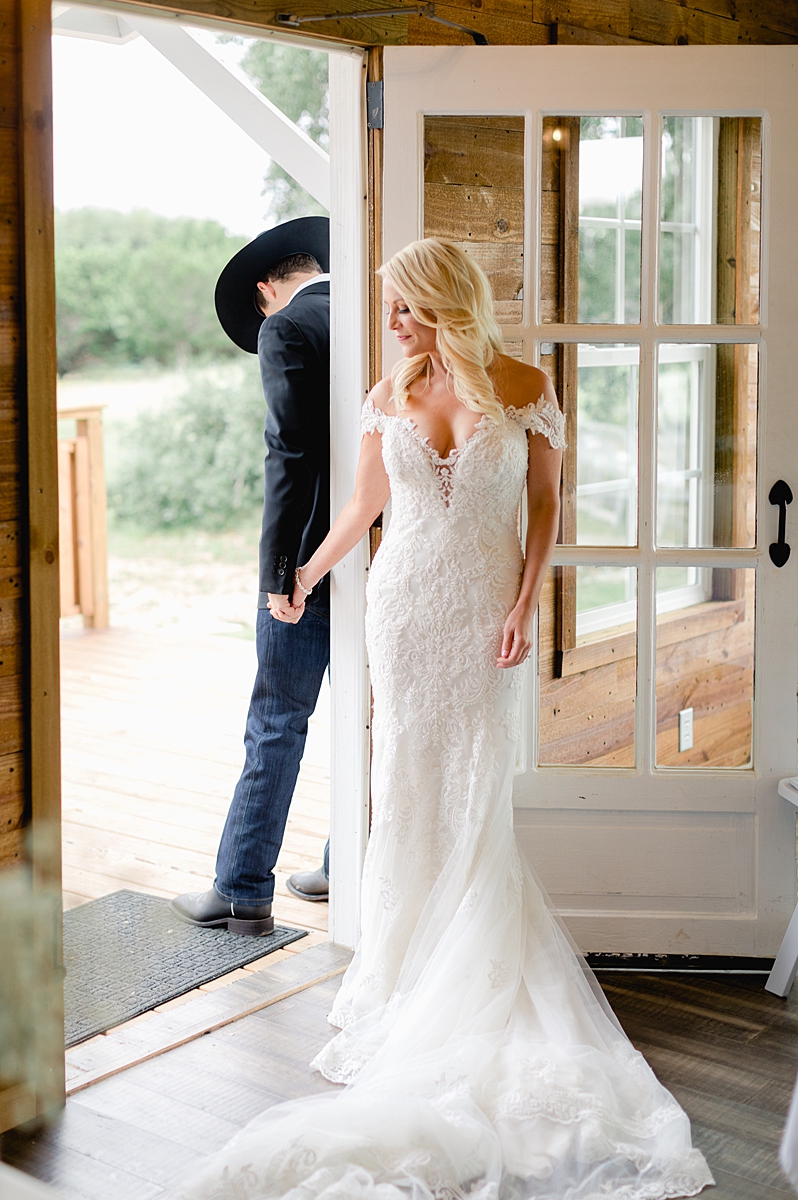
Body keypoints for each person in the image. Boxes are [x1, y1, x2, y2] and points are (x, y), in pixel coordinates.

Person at [173, 239, 713, 1199]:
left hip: (483, 608)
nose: (390, 325)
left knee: (475, 784)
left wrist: (527, 603)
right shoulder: (389, 395)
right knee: (405, 781)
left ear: (446, 305)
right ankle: (398, 969)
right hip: (406, 605)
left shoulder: (525, 385)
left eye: (404, 310)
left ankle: (462, 973)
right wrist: (302, 570)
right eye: (389, 310)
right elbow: (366, 505)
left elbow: (544, 507)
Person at [171, 216, 332, 936]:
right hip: (392, 550)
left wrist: (279, 574)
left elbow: (290, 456)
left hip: (314, 561)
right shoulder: (378, 311)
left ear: (267, 288)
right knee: (378, 719)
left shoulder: (289, 327)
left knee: (277, 717)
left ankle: (241, 889)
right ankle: (345, 863)